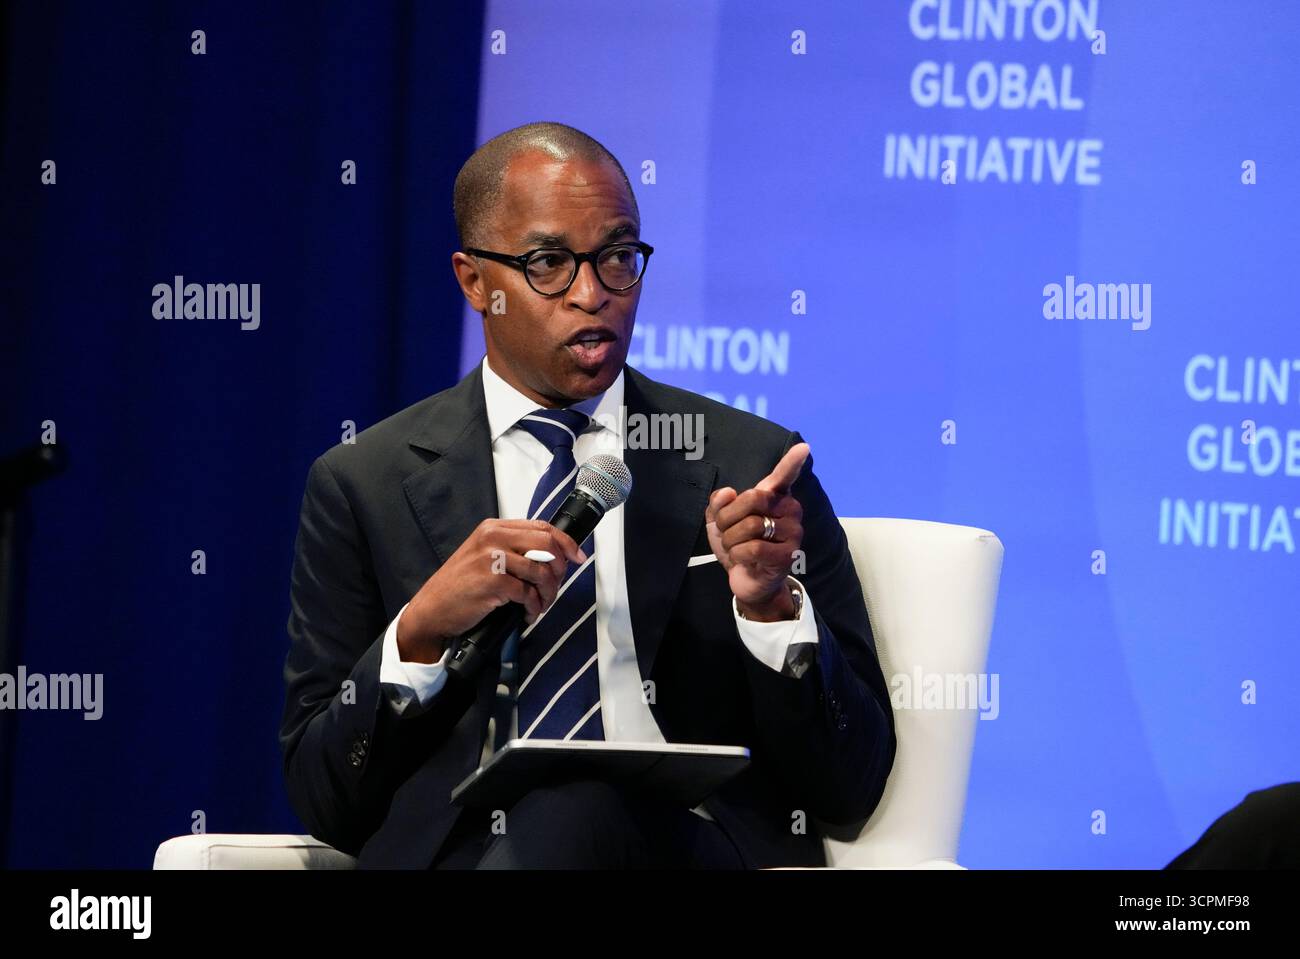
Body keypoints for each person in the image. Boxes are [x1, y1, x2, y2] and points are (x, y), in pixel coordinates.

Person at [278, 121, 895, 869]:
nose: (593, 294)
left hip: (683, 846)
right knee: (549, 819)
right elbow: (324, 796)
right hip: (465, 855)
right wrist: (420, 632)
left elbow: (850, 786)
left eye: (617, 257)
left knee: (579, 806)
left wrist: (771, 613)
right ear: (474, 280)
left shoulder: (750, 467)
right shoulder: (363, 483)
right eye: (548, 263)